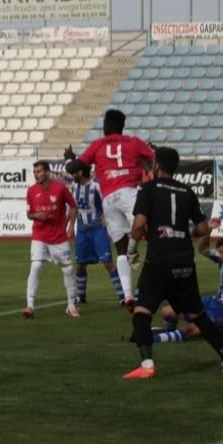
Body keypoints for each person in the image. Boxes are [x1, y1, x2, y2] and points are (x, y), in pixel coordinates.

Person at [123, 147, 223, 379]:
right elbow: (203, 228)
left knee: (141, 312)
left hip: (159, 261)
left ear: (156, 165)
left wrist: (131, 251)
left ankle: (147, 365)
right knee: (199, 316)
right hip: (185, 262)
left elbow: (138, 225)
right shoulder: (187, 191)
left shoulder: (148, 189)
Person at [65, 109, 154, 311]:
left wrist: (70, 158)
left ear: (105, 126)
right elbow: (155, 159)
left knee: (120, 249)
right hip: (129, 193)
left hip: (109, 199)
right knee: (151, 236)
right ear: (122, 126)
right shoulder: (133, 142)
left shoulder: (97, 145)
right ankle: (144, 278)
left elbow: (73, 168)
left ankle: (129, 295)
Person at [153, 236, 223, 344]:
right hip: (213, 302)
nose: (220, 256)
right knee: (167, 311)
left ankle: (149, 339)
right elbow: (203, 249)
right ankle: (170, 332)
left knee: (192, 329)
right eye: (219, 253)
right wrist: (208, 230)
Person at [23, 160, 79, 318]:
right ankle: (30, 306)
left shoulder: (60, 188)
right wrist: (36, 215)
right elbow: (29, 214)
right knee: (35, 267)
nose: (36, 174)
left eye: (39, 171)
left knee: (68, 270)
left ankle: (71, 305)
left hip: (58, 236)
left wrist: (70, 226)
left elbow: (73, 206)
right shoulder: (32, 191)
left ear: (47, 172)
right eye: (35, 172)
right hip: (39, 235)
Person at [65, 160, 125, 305]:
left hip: (98, 230)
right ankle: (81, 296)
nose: (72, 176)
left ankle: (123, 296)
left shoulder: (96, 187)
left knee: (107, 263)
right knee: (80, 264)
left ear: (80, 173)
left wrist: (107, 218)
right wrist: (70, 225)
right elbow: (73, 207)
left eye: (73, 173)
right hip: (83, 230)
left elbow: (107, 203)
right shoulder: (74, 186)